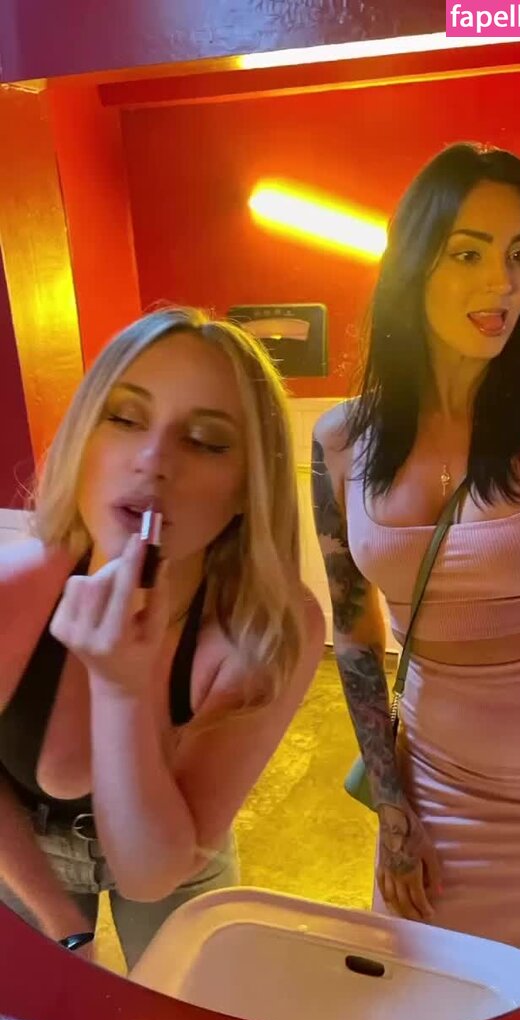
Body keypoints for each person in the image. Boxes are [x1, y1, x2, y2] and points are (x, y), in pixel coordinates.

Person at [312, 142, 520, 981]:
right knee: (413, 996)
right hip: (436, 782)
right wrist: (392, 805)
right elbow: (355, 633)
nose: (504, 285)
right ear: (414, 263)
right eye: (468, 253)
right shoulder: (341, 442)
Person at [0, 306, 325, 970]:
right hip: (20, 853)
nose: (153, 461)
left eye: (205, 440)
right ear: (83, 440)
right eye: (124, 418)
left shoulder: (265, 630)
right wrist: (63, 926)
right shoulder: (13, 590)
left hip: (175, 850)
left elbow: (153, 874)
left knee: (191, 1015)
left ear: (248, 488)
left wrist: (121, 692)